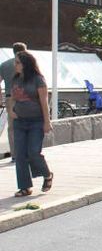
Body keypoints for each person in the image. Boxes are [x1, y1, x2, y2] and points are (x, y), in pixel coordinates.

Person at [9, 51, 53, 197]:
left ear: (25, 64)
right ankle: (24, 187)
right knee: (20, 154)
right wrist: (11, 110)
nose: (15, 65)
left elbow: (44, 102)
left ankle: (47, 175)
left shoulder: (38, 79)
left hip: (36, 121)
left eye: (17, 63)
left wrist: (47, 121)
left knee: (33, 152)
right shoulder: (15, 79)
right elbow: (11, 98)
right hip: (19, 122)